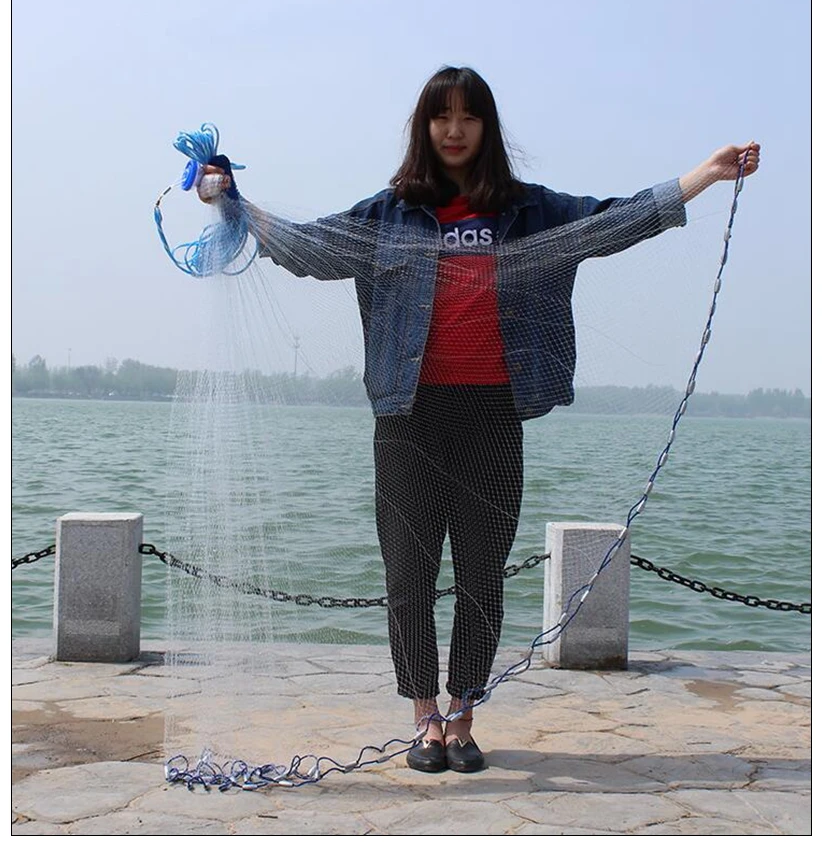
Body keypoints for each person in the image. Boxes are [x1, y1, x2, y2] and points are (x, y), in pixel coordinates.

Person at [199, 66, 760, 774]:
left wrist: (704, 175)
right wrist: (233, 203)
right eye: (442, 117)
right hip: (408, 416)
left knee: (482, 576)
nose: (455, 129)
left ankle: (463, 716)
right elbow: (309, 248)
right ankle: (424, 719)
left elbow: (614, 222)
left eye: (469, 116)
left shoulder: (529, 212)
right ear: (424, 128)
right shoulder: (389, 215)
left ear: (488, 128)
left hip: (493, 413)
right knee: (408, 575)